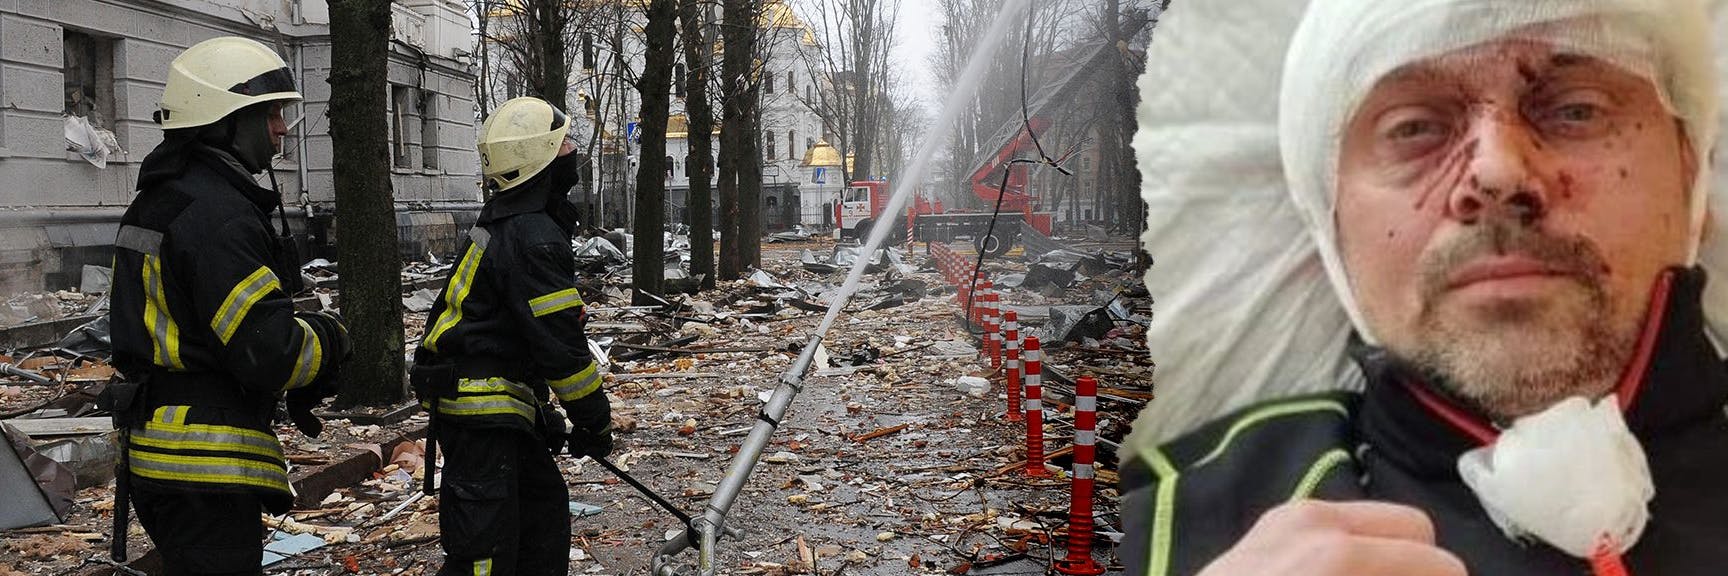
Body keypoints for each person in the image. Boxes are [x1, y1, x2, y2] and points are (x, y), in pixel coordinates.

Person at [1121, 1, 1728, 574]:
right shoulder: (1159, 526)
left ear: (1690, 174)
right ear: (1332, 226)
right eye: (1415, 128)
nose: (1495, 173)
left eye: (1576, 110)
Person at [109, 36, 351, 575]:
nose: (282, 129)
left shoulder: (156, 200)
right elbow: (271, 353)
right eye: (269, 115)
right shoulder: (220, 218)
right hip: (205, 465)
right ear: (226, 122)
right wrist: (331, 338)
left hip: (157, 457)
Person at [410, 96, 612, 576]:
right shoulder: (533, 235)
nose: (572, 152)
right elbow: (558, 347)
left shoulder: (509, 222)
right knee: (486, 552)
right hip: (480, 412)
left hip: (486, 405)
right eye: (563, 145)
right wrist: (593, 421)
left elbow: (506, 334)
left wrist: (540, 413)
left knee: (540, 518)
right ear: (540, 160)